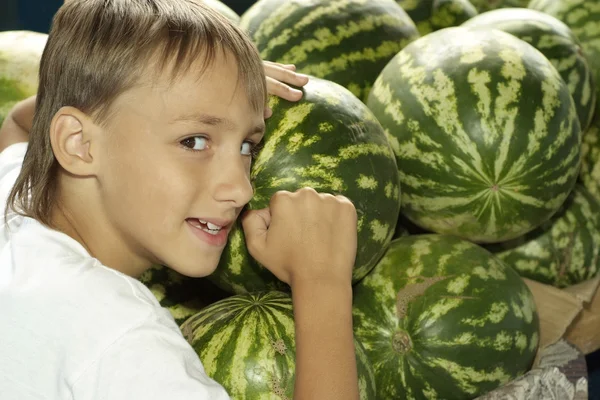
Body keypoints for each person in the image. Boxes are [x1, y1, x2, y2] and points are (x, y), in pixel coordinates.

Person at [0, 1, 360, 399]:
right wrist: (322, 283)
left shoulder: (12, 204)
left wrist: (210, 96)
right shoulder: (124, 347)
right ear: (78, 144)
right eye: (194, 141)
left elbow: (17, 123)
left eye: (247, 145)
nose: (241, 189)